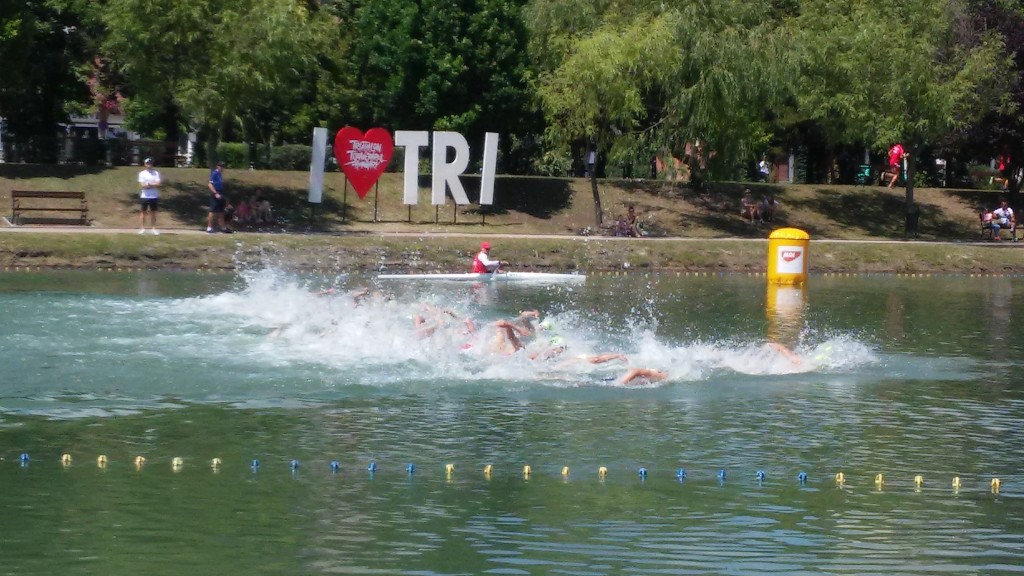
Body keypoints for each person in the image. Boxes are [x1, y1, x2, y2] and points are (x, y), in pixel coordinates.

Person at [137, 157, 161, 235]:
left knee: (153, 212)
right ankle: (142, 229)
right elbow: (143, 185)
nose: (149, 165)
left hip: (154, 196)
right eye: (147, 163)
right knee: (143, 212)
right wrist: (152, 184)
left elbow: (158, 184)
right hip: (145, 196)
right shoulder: (142, 173)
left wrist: (149, 184)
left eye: (150, 163)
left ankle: (153, 229)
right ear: (145, 164)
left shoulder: (156, 173)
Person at [206, 160, 231, 233]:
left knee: (221, 211)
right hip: (215, 193)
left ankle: (223, 227)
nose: (222, 168)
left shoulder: (220, 174)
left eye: (223, 167)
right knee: (213, 210)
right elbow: (210, 184)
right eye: (221, 166)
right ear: (218, 166)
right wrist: (215, 193)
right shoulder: (215, 173)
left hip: (220, 192)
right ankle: (209, 227)